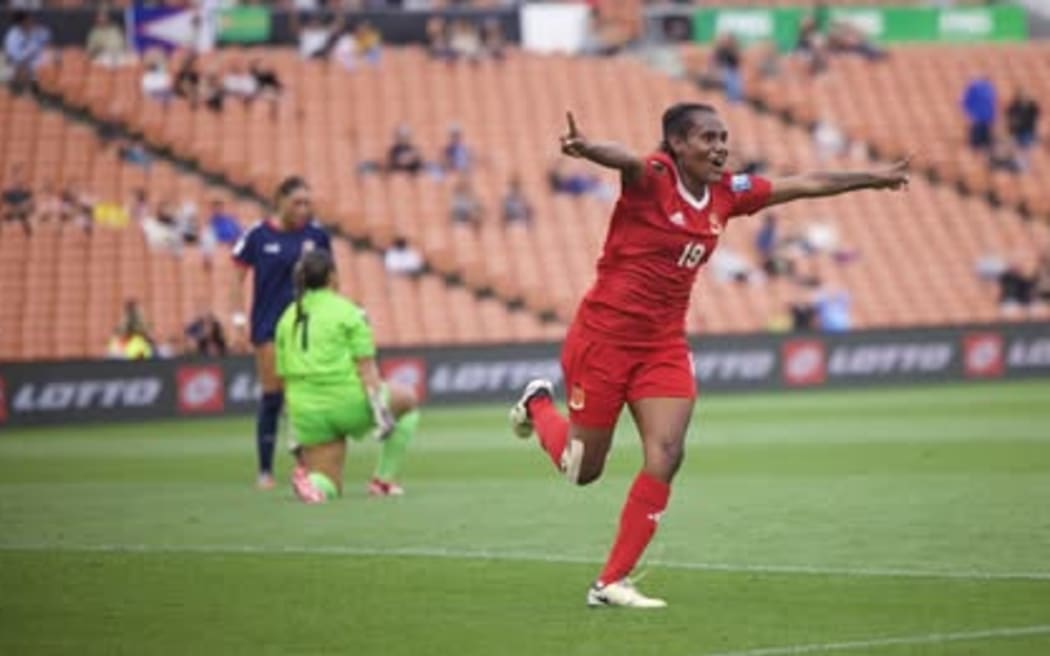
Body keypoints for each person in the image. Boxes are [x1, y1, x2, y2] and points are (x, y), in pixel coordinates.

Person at [508, 105, 909, 608]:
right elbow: (625, 161)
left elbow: (804, 182)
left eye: (723, 137)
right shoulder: (654, 177)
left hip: (663, 345)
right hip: (603, 340)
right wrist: (587, 149)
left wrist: (874, 178)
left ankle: (610, 582)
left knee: (668, 452)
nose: (720, 147)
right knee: (581, 471)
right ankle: (539, 404)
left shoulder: (728, 193)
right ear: (676, 144)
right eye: (707, 138)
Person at [276, 249, 422, 503]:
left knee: (329, 485)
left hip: (306, 412)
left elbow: (283, 377)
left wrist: (293, 428)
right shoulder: (347, 311)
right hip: (347, 402)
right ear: (333, 277)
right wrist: (380, 412)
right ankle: (383, 481)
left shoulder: (287, 317)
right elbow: (366, 367)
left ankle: (310, 482)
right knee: (407, 402)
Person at [231, 176, 331, 490]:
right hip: (269, 327)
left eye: (307, 203)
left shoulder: (316, 235)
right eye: (297, 202)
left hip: (307, 328)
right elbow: (237, 277)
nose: (303, 209)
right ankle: (265, 469)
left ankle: (306, 465)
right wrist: (237, 320)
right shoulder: (258, 236)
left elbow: (331, 279)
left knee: (302, 395)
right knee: (274, 395)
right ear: (280, 201)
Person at [3, 11, 50, 89]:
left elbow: (47, 37)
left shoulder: (36, 30)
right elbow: (16, 57)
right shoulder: (12, 36)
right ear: (21, 23)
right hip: (20, 64)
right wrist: (31, 50)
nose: (31, 21)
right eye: (28, 20)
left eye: (30, 19)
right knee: (23, 69)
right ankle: (25, 92)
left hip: (37, 60)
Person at [962, 76, 996, 151]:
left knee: (986, 144)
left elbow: (992, 106)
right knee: (977, 143)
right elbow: (965, 103)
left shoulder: (989, 91)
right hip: (978, 121)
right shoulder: (977, 90)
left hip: (985, 121)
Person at [2, 163, 33, 234]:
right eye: (16, 175)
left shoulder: (26, 190)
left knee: (24, 217)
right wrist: (11, 208)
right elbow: (5, 203)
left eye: (20, 175)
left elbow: (30, 203)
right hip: (11, 212)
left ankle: (27, 235)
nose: (18, 178)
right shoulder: (8, 190)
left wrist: (23, 206)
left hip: (22, 213)